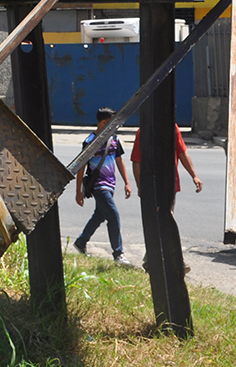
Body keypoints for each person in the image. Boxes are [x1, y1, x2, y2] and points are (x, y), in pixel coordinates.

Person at [131, 123, 202, 272]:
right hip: (151, 185)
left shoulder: (172, 128)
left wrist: (194, 176)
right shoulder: (144, 131)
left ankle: (151, 258)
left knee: (164, 220)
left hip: (169, 184)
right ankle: (176, 261)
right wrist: (140, 186)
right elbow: (137, 160)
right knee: (160, 221)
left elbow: (182, 152)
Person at [73, 107, 135, 266]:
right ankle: (118, 254)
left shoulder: (114, 140)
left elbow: (119, 161)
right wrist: (79, 192)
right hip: (99, 186)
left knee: (99, 216)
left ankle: (81, 242)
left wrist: (127, 182)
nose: (115, 126)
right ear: (104, 122)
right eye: (112, 123)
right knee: (113, 215)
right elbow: (81, 166)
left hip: (111, 185)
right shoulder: (90, 142)